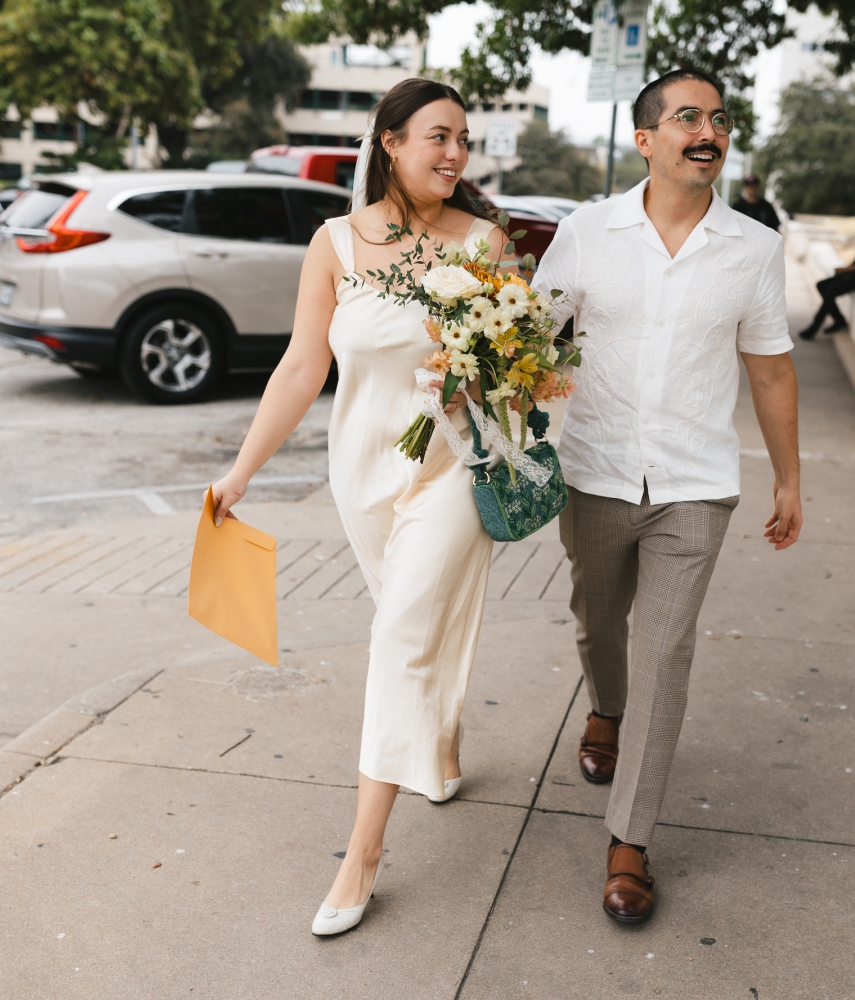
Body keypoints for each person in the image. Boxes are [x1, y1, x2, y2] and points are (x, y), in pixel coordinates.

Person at [207, 78, 509, 937]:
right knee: (407, 627)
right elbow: (303, 368)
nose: (453, 154)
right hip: (363, 468)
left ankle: (363, 853)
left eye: (462, 140)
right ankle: (440, 741)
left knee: (400, 635)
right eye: (437, 137)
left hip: (451, 467)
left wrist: (480, 376)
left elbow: (520, 371)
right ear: (390, 143)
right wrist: (240, 473)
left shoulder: (486, 243)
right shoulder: (334, 242)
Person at [532, 68, 802, 924]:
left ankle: (629, 841)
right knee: (597, 621)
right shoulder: (586, 231)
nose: (708, 131)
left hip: (695, 483)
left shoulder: (753, 248)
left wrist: (789, 476)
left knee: (665, 655)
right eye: (688, 117)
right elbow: (529, 340)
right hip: (596, 471)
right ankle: (602, 709)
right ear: (645, 140)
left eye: (719, 119)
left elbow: (769, 368)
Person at [796, 202, 855, 339]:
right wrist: (847, 270)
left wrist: (844, 270)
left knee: (831, 291)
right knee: (822, 285)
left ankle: (814, 326)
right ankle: (839, 320)